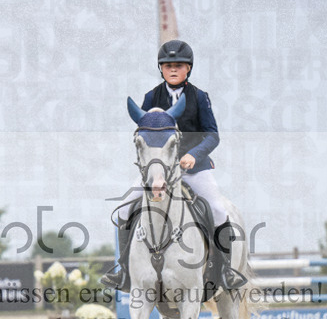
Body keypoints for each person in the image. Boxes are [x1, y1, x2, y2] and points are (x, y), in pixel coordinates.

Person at [102, 39, 246, 291]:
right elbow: (144, 136)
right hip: (158, 171)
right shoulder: (150, 97)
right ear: (161, 68)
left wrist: (193, 154)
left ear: (188, 69)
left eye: (178, 65)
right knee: (124, 209)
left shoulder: (199, 98)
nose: (173, 69)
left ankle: (226, 271)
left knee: (218, 210)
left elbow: (213, 135)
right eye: (167, 65)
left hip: (194, 169)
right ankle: (123, 271)